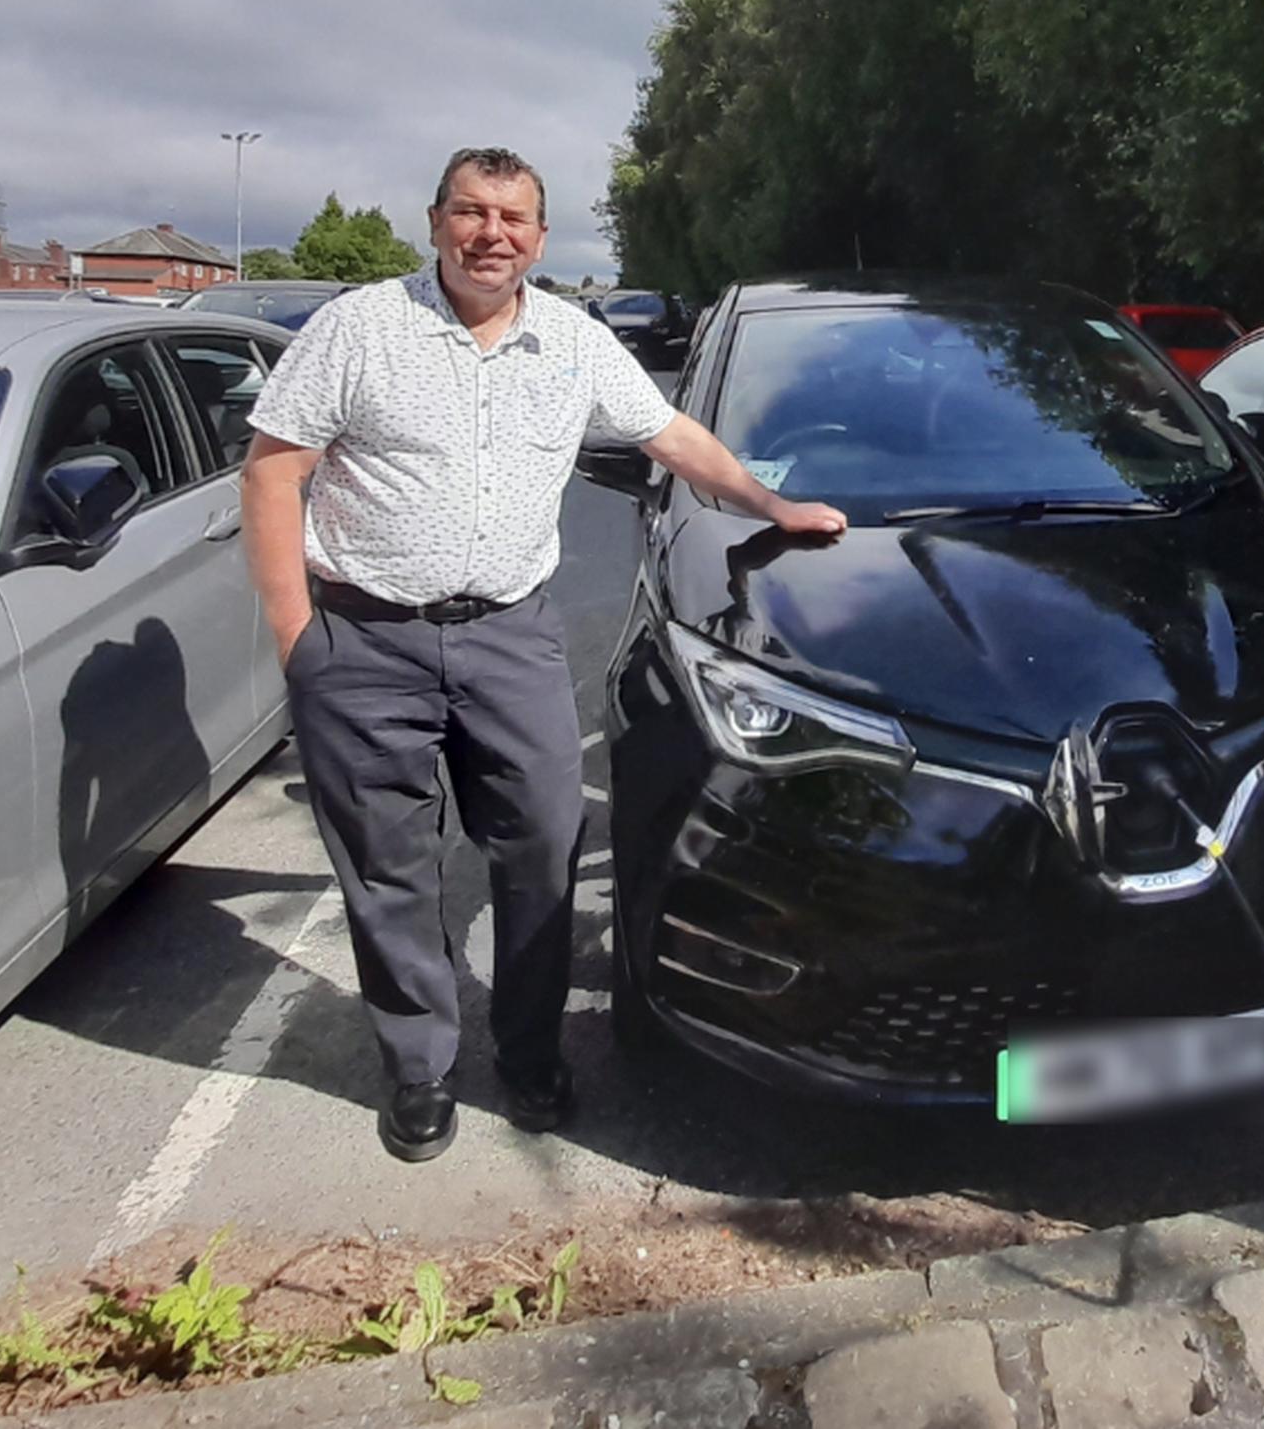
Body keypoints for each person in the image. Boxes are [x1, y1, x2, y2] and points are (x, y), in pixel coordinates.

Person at [240, 146, 845, 1162]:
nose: (492, 234)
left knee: (541, 853)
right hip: (364, 643)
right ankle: (420, 1071)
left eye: (513, 218)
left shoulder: (571, 340)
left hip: (509, 638)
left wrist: (773, 505)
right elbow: (272, 476)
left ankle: (527, 1056)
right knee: (389, 874)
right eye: (472, 213)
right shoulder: (360, 329)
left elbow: (671, 438)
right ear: (435, 222)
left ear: (538, 237)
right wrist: (301, 640)